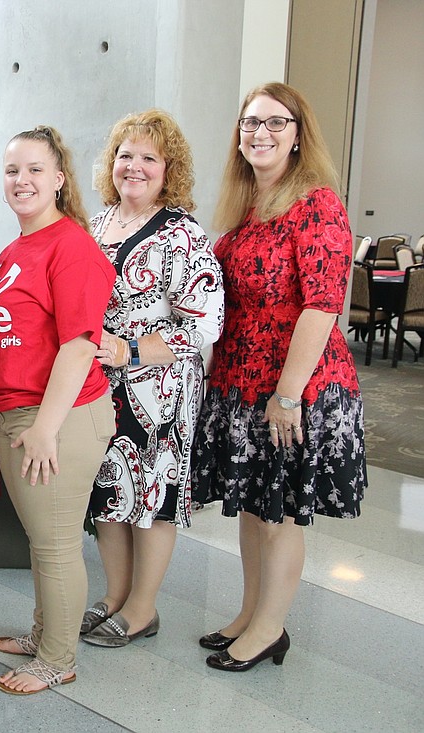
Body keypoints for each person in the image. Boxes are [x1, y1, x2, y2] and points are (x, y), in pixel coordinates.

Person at [192, 82, 366, 672]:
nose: (259, 133)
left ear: (298, 135)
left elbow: (322, 306)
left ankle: (271, 628)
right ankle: (249, 612)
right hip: (241, 382)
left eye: (275, 122)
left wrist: (287, 395)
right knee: (251, 508)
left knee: (282, 512)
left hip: (297, 388)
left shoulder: (316, 203)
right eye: (249, 123)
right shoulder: (243, 205)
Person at [0, 126, 116, 693]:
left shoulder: (70, 245)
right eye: (12, 170)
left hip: (57, 417)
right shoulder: (17, 248)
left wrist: (45, 428)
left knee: (56, 543)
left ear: (59, 179)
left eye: (35, 169)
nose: (22, 180)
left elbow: (80, 344)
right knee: (44, 539)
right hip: (21, 415)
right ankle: (45, 631)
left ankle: (58, 658)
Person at [81, 110, 224, 648]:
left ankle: (143, 609)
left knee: (153, 496)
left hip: (158, 387)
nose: (133, 167)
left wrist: (131, 349)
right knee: (109, 491)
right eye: (124, 155)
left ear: (169, 169)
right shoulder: (97, 223)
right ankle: (115, 594)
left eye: (148, 158)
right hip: (101, 385)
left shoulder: (183, 231)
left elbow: (205, 322)